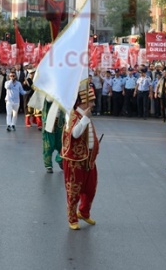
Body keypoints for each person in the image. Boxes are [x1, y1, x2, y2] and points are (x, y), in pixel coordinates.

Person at [61, 86, 100, 230]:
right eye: (92, 102)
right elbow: (75, 134)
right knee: (74, 191)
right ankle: (72, 218)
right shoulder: (73, 115)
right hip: (75, 160)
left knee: (90, 189)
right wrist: (85, 119)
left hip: (89, 159)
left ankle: (83, 212)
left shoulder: (85, 115)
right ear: (84, 102)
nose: (94, 105)